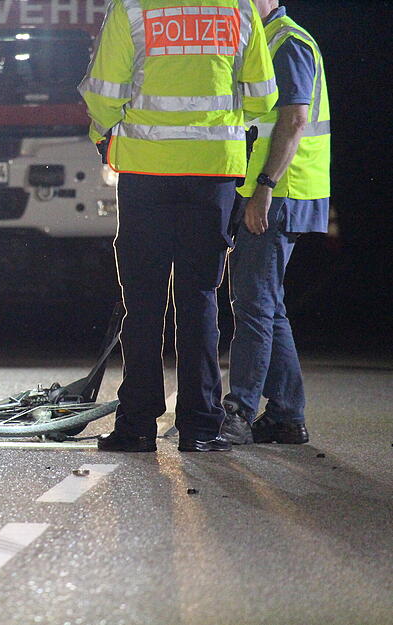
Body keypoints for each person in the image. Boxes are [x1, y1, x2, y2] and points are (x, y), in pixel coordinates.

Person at [79, 0, 278, 452]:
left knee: (143, 301)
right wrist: (218, 122)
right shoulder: (240, 7)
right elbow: (263, 96)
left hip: (145, 170)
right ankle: (201, 427)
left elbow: (104, 92)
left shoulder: (133, 6)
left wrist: (103, 136)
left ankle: (136, 426)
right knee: (200, 297)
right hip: (213, 171)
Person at [219, 0, 330, 446]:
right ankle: (286, 415)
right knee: (268, 304)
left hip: (280, 191)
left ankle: (239, 411)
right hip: (274, 190)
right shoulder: (266, 40)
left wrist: (264, 186)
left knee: (253, 306)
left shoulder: (287, 43)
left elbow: (295, 118)